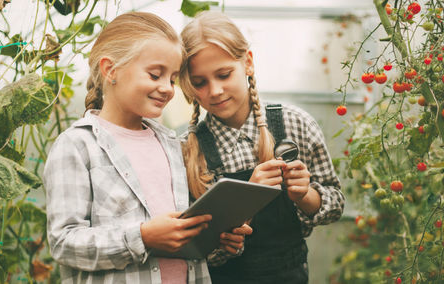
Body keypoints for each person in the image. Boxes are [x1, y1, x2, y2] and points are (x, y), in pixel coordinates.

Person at [44, 12, 250, 284]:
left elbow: (179, 241)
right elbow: (64, 243)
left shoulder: (171, 145)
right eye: (155, 75)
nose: (167, 88)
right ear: (110, 70)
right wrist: (142, 237)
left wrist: (215, 239)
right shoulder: (77, 146)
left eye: (173, 79)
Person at [178, 11, 345, 283]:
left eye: (223, 74)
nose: (215, 90)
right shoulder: (188, 149)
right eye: (200, 82)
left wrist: (304, 195)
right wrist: (243, 205)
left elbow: (335, 204)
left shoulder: (294, 124)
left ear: (248, 63)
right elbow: (196, 252)